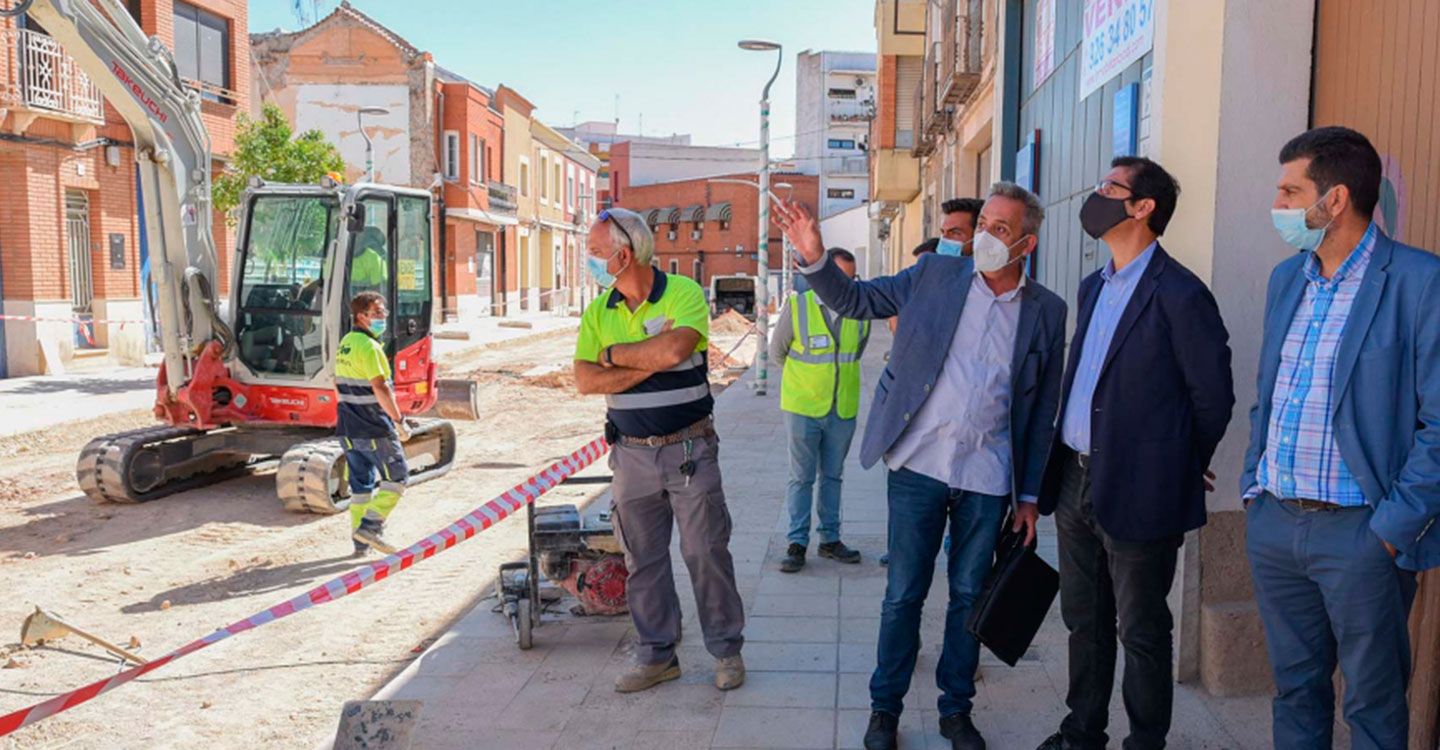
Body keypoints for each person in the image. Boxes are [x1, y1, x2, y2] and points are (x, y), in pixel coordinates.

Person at [776, 183, 1067, 750]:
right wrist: (813, 255)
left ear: (1026, 243)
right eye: (984, 222)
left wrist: (1029, 496)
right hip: (918, 466)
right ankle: (884, 710)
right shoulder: (936, 273)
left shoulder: (1047, 312)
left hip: (987, 477)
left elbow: (1042, 409)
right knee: (903, 593)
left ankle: (956, 710)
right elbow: (857, 299)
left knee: (967, 598)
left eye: (1001, 229)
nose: (984, 235)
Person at [1243, 126, 1440, 750]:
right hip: (1276, 524)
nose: (1277, 205)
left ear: (1334, 199)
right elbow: (1268, 395)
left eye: (1289, 190)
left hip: (1360, 535)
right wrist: (1255, 488)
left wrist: (1390, 531)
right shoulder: (1287, 279)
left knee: (1375, 706)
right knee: (1295, 691)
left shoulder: (1418, 281)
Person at [1034, 157, 1234, 750]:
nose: (1095, 197)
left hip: (1142, 487)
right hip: (1074, 479)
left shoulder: (1180, 293)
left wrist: (1177, 465)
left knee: (1143, 630)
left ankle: (1145, 742)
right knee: (1083, 621)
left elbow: (1212, 398)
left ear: (1142, 207)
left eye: (1108, 188)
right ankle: (1082, 732)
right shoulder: (1093, 286)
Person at [573, 207, 746, 694]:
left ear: (622, 255)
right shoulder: (598, 311)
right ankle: (657, 655)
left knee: (705, 551)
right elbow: (586, 379)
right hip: (629, 455)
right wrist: (644, 357)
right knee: (642, 559)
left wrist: (613, 355)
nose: (588, 259)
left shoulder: (686, 293)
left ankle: (727, 650)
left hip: (689, 450)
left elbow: (676, 351)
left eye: (594, 252)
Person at [771, 248, 872, 572]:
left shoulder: (860, 311)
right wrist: (806, 383)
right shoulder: (798, 307)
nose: (848, 284)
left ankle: (829, 540)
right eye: (841, 277)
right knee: (800, 478)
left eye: (852, 278)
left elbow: (856, 353)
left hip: (841, 409)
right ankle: (796, 543)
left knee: (833, 476)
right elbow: (778, 352)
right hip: (802, 408)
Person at [335, 291, 413, 556]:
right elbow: (381, 388)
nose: (383, 317)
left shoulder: (346, 342)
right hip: (373, 427)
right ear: (361, 316)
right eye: (377, 313)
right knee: (398, 477)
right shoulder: (371, 348)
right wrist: (399, 420)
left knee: (361, 486)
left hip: (347, 427)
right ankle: (371, 527)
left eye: (383, 312)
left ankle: (360, 544)